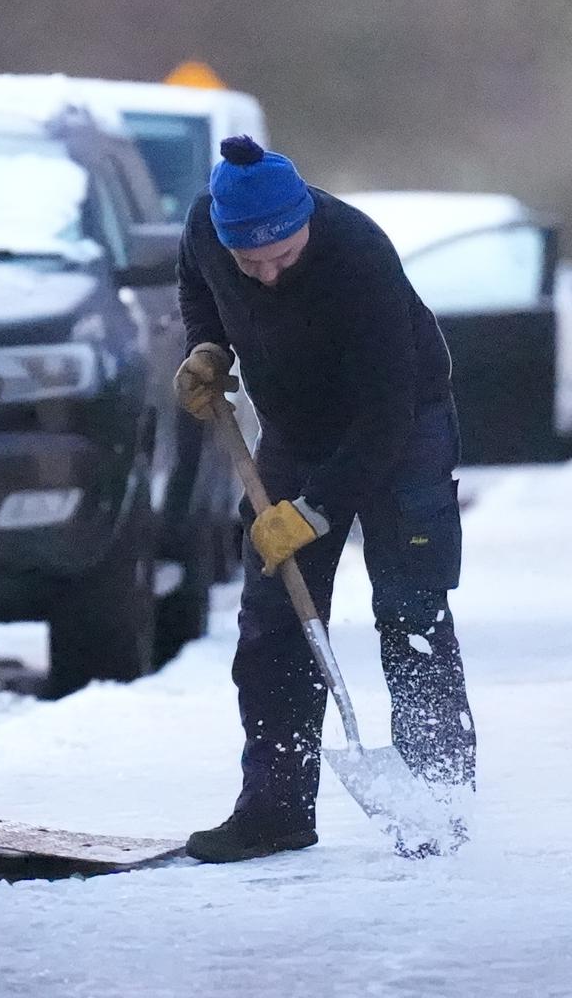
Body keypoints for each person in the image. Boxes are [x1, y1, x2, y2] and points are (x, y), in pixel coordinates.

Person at [175, 136, 478, 863]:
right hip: (295, 427)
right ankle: (274, 807)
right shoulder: (204, 232)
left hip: (402, 427)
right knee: (275, 617)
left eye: (283, 256)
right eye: (252, 264)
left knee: (411, 610)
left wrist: (312, 513)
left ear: (304, 216)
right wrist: (208, 347)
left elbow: (385, 415)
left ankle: (439, 805)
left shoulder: (358, 254)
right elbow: (197, 284)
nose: (269, 276)